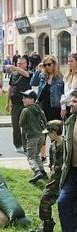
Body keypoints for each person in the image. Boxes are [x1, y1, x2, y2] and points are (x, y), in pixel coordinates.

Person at [38, 120, 64, 232]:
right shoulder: (53, 146)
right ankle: (47, 224)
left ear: (54, 132)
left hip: (65, 180)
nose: (48, 136)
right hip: (54, 180)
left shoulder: (66, 145)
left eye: (49, 133)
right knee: (45, 199)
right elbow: (52, 163)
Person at [58, 88, 77, 232]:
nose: (71, 103)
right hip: (72, 171)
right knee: (63, 202)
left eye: (75, 101)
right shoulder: (71, 121)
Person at [19, 90, 47, 183]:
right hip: (41, 136)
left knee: (30, 156)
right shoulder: (40, 110)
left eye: (25, 98)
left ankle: (37, 171)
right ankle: (43, 171)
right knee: (36, 154)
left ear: (32, 100)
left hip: (32, 136)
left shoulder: (25, 110)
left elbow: (21, 123)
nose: (23, 100)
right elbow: (45, 122)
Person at [6, 57, 32, 152]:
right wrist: (7, 103)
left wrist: (14, 67)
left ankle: (26, 145)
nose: (20, 65)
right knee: (15, 126)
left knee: (25, 126)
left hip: (25, 104)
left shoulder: (28, 73)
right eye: (18, 63)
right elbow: (10, 88)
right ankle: (18, 145)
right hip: (15, 104)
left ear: (26, 64)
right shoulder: (13, 74)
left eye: (22, 63)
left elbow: (26, 74)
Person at [30, 55, 64, 121]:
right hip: (43, 107)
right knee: (44, 129)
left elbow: (63, 93)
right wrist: (38, 70)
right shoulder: (42, 75)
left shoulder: (60, 77)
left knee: (55, 129)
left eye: (49, 64)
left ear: (54, 64)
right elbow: (32, 83)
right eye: (45, 65)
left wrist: (63, 108)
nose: (47, 67)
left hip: (55, 108)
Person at [60, 53, 77, 119]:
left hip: (75, 107)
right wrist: (63, 108)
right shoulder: (66, 76)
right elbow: (62, 92)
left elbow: (73, 93)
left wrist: (62, 101)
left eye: (72, 61)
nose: (69, 63)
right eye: (68, 61)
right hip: (67, 107)